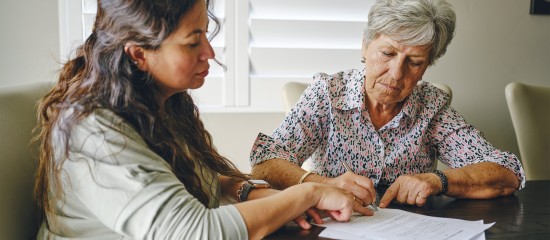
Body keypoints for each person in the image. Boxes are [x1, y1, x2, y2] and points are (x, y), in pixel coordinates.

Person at [33, 0, 372, 239]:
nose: (209, 52)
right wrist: (307, 194)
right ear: (139, 54)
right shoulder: (95, 132)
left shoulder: (159, 104)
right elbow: (196, 232)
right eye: (193, 41)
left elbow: (206, 180)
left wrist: (259, 197)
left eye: (206, 35)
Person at [250, 0, 525, 209]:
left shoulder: (432, 108)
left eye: (414, 62)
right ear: (365, 46)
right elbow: (265, 161)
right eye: (387, 53)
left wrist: (438, 181)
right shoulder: (327, 94)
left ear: (427, 66)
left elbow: (507, 172)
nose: (396, 74)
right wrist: (325, 184)